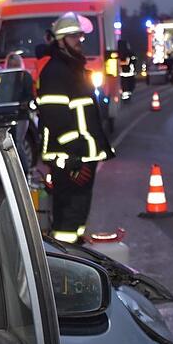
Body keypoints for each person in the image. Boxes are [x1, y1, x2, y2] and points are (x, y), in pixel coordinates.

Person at [36, 12, 114, 243]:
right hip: (70, 157)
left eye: (80, 36)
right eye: (73, 37)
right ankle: (65, 267)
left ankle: (77, 257)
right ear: (60, 41)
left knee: (78, 213)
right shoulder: (55, 72)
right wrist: (76, 156)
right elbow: (55, 118)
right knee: (68, 215)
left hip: (81, 155)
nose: (79, 41)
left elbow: (88, 114)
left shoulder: (74, 69)